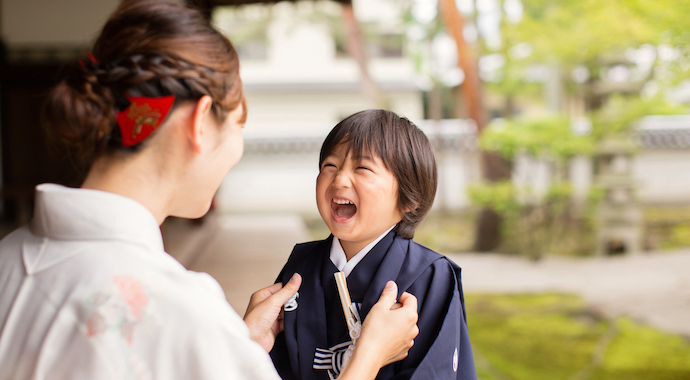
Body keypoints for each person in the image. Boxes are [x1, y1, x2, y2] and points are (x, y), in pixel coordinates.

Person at [0, 1, 419, 379]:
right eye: (238, 125)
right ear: (201, 123)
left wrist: (239, 345)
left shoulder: (9, 258)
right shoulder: (176, 307)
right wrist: (368, 356)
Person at [270, 110, 477, 379]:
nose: (339, 179)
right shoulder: (301, 268)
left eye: (363, 168)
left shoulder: (428, 276)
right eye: (330, 165)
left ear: (409, 198)